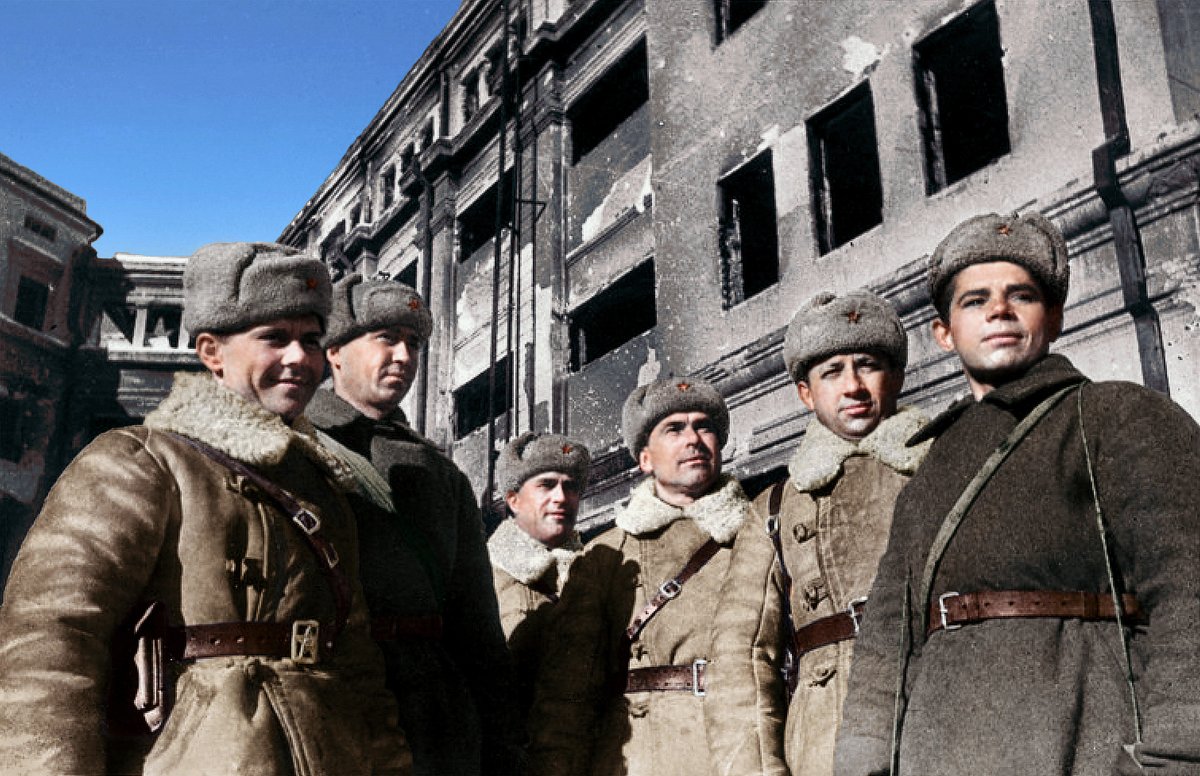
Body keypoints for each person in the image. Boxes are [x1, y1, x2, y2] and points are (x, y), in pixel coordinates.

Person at [0, 242, 408, 774]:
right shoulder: (140, 461)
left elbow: (359, 665)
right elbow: (49, 641)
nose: (300, 358)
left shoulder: (324, 489)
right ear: (212, 351)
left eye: (311, 340)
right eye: (273, 338)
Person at [834, 212, 1200, 774]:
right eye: (974, 300)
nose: (998, 310)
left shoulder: (1115, 415)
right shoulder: (929, 469)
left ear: (1053, 317)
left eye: (1021, 295)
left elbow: (1188, 591)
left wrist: (1178, 757)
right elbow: (886, 641)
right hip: (937, 752)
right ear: (943, 332)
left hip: (1080, 745)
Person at [306, 272, 522, 776]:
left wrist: (501, 748)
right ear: (335, 351)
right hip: (330, 701)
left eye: (413, 344)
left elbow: (478, 630)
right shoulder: (293, 447)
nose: (404, 357)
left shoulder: (442, 474)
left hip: (435, 720)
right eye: (386, 338)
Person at [707, 290, 928, 776]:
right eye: (831, 372)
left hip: (938, 719)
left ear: (895, 376)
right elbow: (742, 659)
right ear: (806, 393)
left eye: (867, 365)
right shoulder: (776, 506)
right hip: (825, 739)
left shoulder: (944, 468)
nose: (852, 386)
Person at [530, 377, 752, 776]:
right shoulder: (605, 558)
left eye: (704, 426)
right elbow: (568, 698)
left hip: (741, 749)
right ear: (645, 459)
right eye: (674, 429)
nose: (694, 440)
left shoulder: (760, 531)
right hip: (642, 756)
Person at [489, 431, 590, 717]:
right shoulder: (485, 576)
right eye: (546, 485)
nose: (561, 498)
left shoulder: (598, 572)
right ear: (513, 500)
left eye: (571, 487)